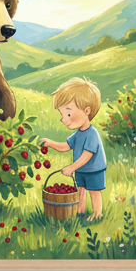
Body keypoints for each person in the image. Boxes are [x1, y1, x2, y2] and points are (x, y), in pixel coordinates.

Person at [40, 77, 107, 218]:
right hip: (80, 169)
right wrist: (51, 143)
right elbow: (66, 146)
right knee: (80, 190)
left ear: (87, 110)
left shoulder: (92, 134)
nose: (63, 119)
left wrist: (71, 168)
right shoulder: (78, 134)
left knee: (94, 191)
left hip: (94, 169)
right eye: (62, 114)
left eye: (68, 113)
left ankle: (97, 213)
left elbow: (86, 155)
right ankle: (80, 212)